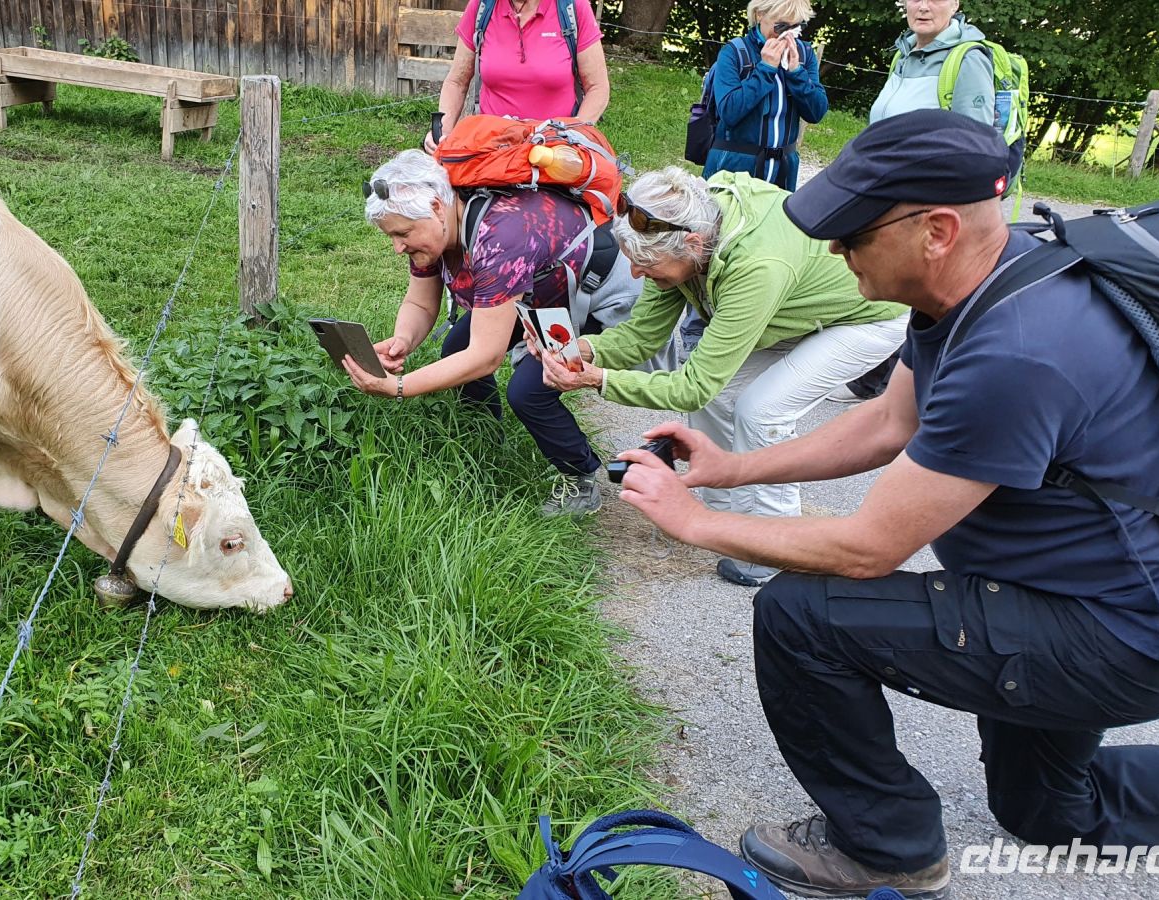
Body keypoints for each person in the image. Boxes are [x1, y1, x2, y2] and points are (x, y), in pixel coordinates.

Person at [614, 110, 1159, 899]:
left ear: (935, 230)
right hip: (1076, 605)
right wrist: (727, 469)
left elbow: (870, 547)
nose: (834, 251)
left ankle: (889, 849)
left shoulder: (1017, 350)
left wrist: (693, 524)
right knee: (1043, 809)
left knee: (803, 617)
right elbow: (889, 420)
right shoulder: (976, 285)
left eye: (853, 235)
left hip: (1115, 635)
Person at [535, 166, 907, 587]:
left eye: (646, 265)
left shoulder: (755, 266)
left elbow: (692, 387)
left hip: (862, 317)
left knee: (762, 412)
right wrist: (583, 350)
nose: (637, 275)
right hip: (790, 310)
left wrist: (597, 379)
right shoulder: (676, 231)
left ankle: (773, 551)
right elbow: (641, 338)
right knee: (723, 392)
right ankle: (727, 520)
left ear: (693, 244)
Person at [343, 149, 641, 516]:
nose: (397, 247)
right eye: (391, 236)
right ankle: (483, 442)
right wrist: (403, 340)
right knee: (455, 347)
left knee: (531, 389)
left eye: (402, 234)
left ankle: (579, 478)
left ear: (438, 207)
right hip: (539, 294)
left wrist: (399, 388)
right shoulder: (432, 230)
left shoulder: (501, 235)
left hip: (594, 296)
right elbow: (420, 304)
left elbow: (487, 355)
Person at [830, 0, 1009, 404]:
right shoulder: (904, 53)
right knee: (899, 286)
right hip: (891, 197)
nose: (923, 6)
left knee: (934, 294)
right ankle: (887, 386)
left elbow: (976, 148)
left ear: (956, 4)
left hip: (933, 206)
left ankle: (937, 393)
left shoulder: (968, 60)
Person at [424, 0, 610, 153]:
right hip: (491, 148)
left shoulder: (572, 8)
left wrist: (574, 135)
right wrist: (442, 132)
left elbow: (597, 87)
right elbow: (457, 81)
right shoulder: (483, 7)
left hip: (557, 149)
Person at [700, 0, 828, 191]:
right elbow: (729, 112)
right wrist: (765, 69)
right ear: (760, 15)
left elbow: (816, 112)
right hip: (734, 168)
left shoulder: (804, 54)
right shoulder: (734, 52)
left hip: (782, 170)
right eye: (781, 26)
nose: (787, 35)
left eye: (796, 27)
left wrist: (795, 72)